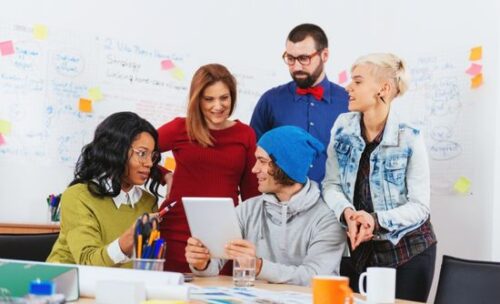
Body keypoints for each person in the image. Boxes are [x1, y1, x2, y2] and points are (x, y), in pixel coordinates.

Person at [322, 53, 437, 302]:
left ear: (382, 89)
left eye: (358, 81)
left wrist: (375, 220)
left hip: (408, 252)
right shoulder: (342, 126)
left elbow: (420, 207)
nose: (348, 87)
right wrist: (347, 212)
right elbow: (330, 184)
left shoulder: (410, 136)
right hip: (359, 250)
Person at [185, 126, 346, 286]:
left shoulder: (328, 218)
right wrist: (202, 262)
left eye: (262, 161)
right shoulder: (247, 210)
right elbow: (213, 266)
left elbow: (316, 277)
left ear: (286, 166)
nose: (254, 169)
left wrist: (258, 266)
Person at [157, 63, 260, 273]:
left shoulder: (245, 134)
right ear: (197, 100)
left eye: (224, 98)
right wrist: (164, 175)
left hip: (224, 237)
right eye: (209, 99)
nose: (218, 106)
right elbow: (136, 151)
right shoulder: (180, 128)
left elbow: (252, 194)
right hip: (177, 232)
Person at [47, 112, 163, 267]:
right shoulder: (77, 196)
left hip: (119, 288)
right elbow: (87, 262)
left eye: (152, 156)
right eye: (142, 154)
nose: (149, 163)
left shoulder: (148, 202)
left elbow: (145, 263)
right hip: (67, 287)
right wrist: (126, 242)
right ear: (116, 150)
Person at [250, 23, 349, 184]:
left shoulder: (349, 102)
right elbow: (255, 156)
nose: (296, 67)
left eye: (304, 58)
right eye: (290, 58)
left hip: (334, 205)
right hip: (281, 205)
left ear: (324, 55)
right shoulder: (270, 101)